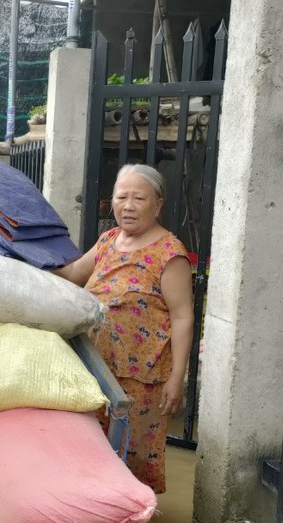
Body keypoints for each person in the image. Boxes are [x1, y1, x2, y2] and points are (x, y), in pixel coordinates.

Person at [57, 164, 193, 494]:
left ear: (158, 204)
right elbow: (74, 272)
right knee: (92, 451)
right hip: (95, 369)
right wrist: (24, 259)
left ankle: (130, 519)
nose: (128, 205)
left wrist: (177, 378)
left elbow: (182, 316)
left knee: (132, 458)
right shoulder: (108, 241)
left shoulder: (169, 254)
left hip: (141, 380)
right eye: (122, 197)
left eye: (138, 198)